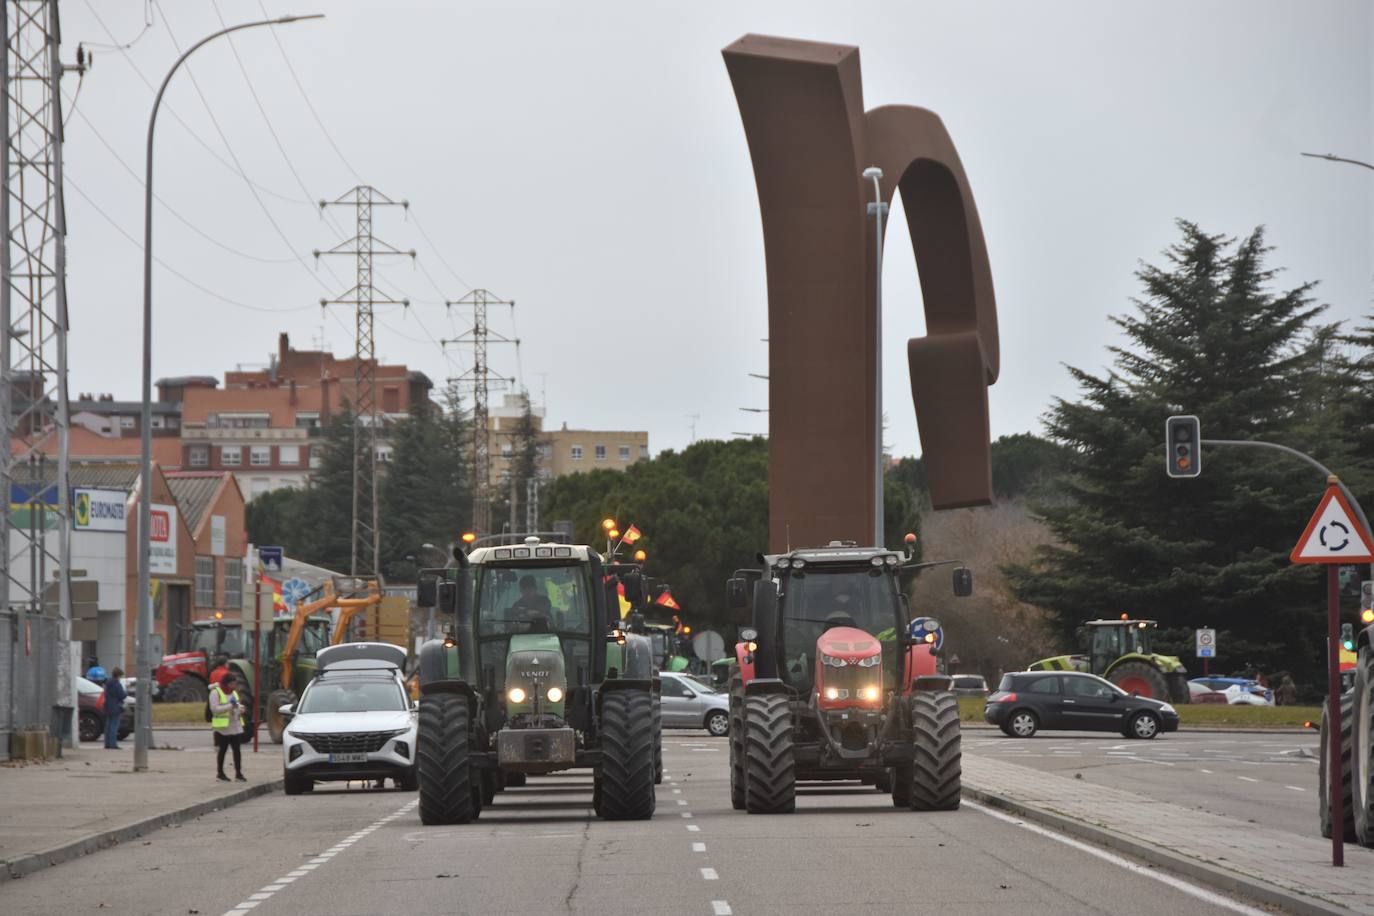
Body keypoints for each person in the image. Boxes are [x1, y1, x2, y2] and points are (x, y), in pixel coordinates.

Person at [209, 672, 247, 782]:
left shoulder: (234, 693)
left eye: (235, 684)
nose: (234, 686)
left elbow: (237, 704)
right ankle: (220, 773)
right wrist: (230, 706)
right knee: (223, 750)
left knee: (237, 750)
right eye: (232, 684)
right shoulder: (215, 693)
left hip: (235, 725)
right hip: (223, 728)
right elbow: (215, 709)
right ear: (226, 684)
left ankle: (238, 773)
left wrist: (240, 708)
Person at [102, 668, 127, 749]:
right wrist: (126, 692)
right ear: (118, 675)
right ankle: (113, 744)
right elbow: (122, 695)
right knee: (114, 726)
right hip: (115, 706)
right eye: (120, 676)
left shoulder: (108, 683)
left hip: (107, 706)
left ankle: (107, 744)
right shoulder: (117, 684)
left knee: (108, 726)